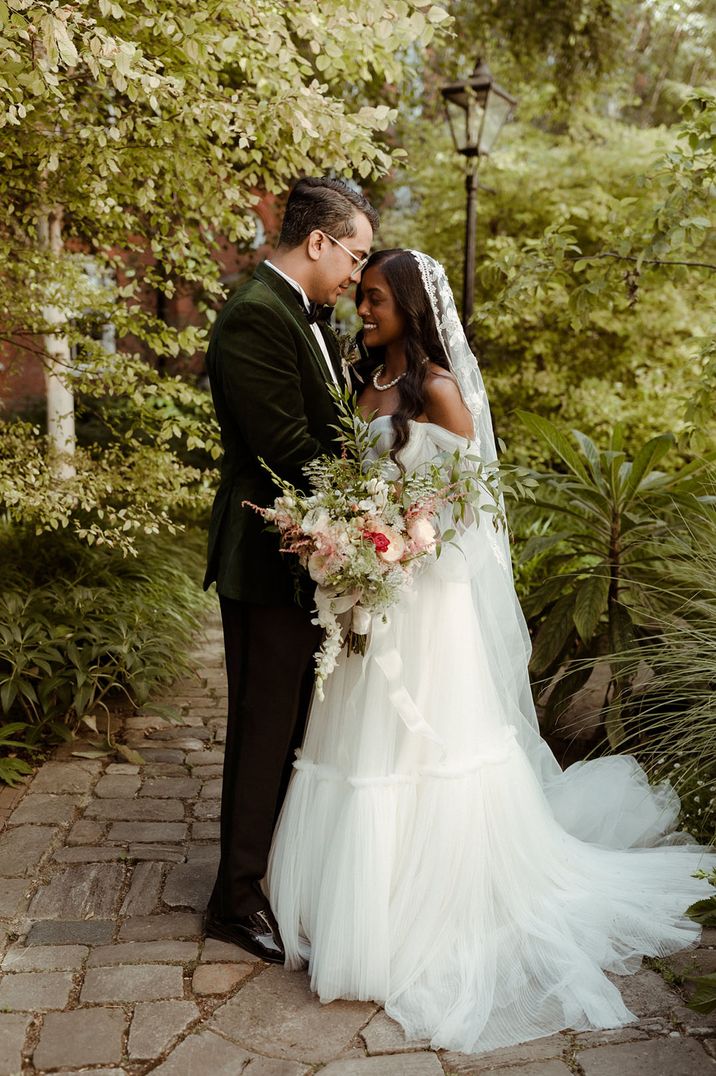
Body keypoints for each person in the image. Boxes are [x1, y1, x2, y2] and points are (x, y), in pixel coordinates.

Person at [267, 249, 715, 1053]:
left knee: (423, 749)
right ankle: (359, 912)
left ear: (409, 304)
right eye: (360, 298)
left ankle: (428, 911)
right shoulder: (361, 385)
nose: (362, 311)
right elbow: (348, 482)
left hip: (427, 608)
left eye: (374, 299)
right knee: (358, 745)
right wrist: (335, 541)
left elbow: (467, 506)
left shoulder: (439, 389)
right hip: (370, 599)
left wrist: (406, 545)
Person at [202, 178, 378, 962]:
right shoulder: (252, 318)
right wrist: (375, 510)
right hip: (268, 554)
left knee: (293, 727)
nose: (355, 274)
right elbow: (289, 452)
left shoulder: (309, 316)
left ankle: (265, 871)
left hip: (308, 552)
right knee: (264, 728)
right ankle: (233, 901)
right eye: (355, 255)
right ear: (318, 241)